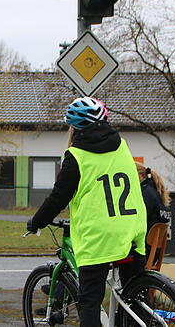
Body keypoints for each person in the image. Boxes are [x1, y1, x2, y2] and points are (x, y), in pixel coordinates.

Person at [27, 97, 147, 327]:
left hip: (99, 236)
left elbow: (58, 197)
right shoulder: (122, 145)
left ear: (74, 127)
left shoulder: (76, 156)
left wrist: (37, 221)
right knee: (135, 293)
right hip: (133, 226)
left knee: (89, 301)